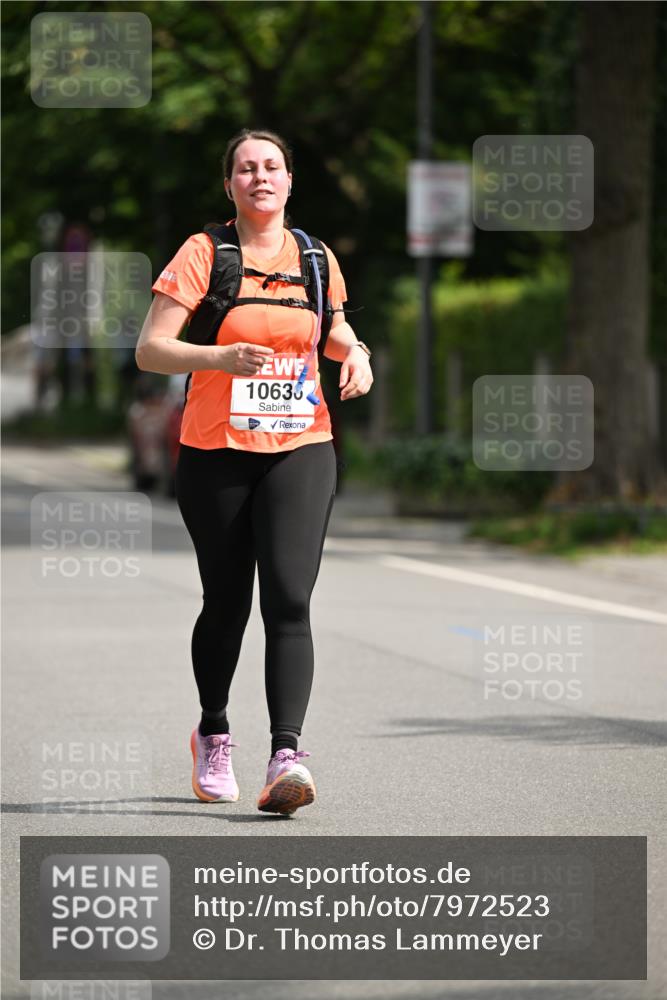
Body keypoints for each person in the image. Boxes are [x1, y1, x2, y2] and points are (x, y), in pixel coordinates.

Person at [135, 128, 373, 815]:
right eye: (246, 168)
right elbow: (152, 350)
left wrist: (353, 351)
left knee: (290, 599)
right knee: (228, 599)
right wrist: (219, 359)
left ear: (289, 180)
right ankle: (213, 731)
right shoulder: (204, 253)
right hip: (216, 449)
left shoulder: (314, 256)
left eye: (271, 167)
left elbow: (328, 325)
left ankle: (286, 758)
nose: (260, 177)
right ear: (230, 184)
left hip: (303, 442)